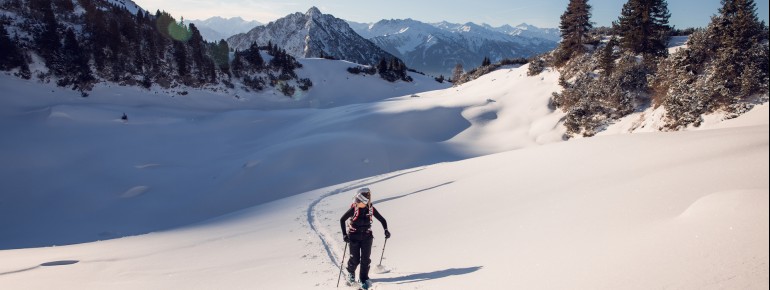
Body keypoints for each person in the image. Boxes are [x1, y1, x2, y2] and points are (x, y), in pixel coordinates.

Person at [340, 187, 391, 289]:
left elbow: (382, 220)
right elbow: (342, 219)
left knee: (365, 260)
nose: (356, 202)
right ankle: (351, 273)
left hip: (367, 237)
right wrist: (345, 235)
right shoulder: (354, 209)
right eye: (356, 200)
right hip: (354, 237)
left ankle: (363, 279)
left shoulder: (371, 209)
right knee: (355, 260)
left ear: (364, 201)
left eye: (359, 200)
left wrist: (386, 230)